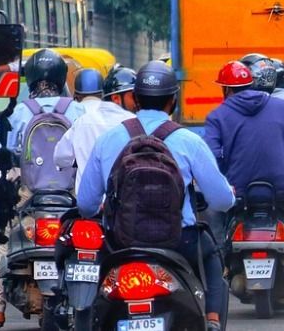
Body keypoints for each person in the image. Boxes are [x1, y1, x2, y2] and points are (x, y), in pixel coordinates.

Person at [77, 61, 234, 331]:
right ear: (173, 100)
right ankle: (212, 321)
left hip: (120, 244)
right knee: (212, 255)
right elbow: (221, 201)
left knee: (90, 283)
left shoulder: (108, 139)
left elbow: (86, 204)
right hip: (179, 242)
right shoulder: (189, 141)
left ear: (134, 99)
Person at [0, 49, 85, 329]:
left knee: (7, 238)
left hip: (30, 192)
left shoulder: (20, 111)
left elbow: (6, 149)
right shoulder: (75, 110)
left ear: (29, 78)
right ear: (60, 77)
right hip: (69, 192)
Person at [204, 60, 284, 201]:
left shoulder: (217, 116)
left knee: (212, 214)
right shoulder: (280, 107)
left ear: (226, 89)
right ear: (251, 84)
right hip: (280, 192)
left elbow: (212, 159)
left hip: (238, 195)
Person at [53, 68, 136, 194]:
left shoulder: (81, 122)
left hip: (90, 203)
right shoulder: (134, 122)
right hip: (125, 201)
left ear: (76, 95)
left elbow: (60, 157)